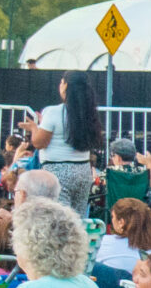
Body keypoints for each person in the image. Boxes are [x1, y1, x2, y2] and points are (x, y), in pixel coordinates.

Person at [28, 73, 103, 214]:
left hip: (57, 171)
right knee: (77, 218)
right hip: (83, 170)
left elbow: (39, 143)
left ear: (66, 86)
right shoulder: (88, 113)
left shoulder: (52, 111)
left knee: (59, 219)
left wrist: (34, 128)